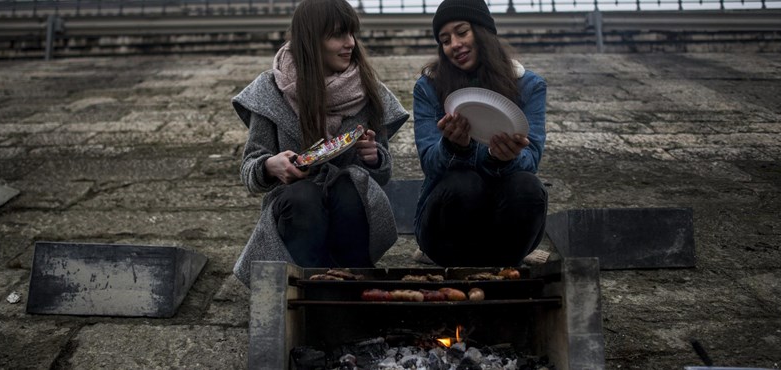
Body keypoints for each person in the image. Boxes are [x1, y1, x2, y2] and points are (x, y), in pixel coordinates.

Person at [230, 0, 409, 286]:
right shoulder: (270, 89)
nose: (350, 43)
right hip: (297, 212)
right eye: (338, 34)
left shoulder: (369, 90)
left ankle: (351, 288)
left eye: (351, 33)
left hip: (350, 209)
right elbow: (250, 170)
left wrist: (373, 156)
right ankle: (306, 291)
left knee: (350, 189)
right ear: (311, 40)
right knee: (303, 197)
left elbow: (383, 174)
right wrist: (270, 166)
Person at [412, 0, 548, 267]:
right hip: (445, 226)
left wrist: (502, 158)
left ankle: (504, 267)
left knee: (528, 186)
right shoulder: (428, 86)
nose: (454, 44)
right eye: (445, 39)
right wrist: (454, 148)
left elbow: (530, 160)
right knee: (465, 184)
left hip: (503, 220)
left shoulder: (530, 86)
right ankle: (450, 262)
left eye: (462, 32)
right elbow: (429, 161)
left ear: (483, 31)